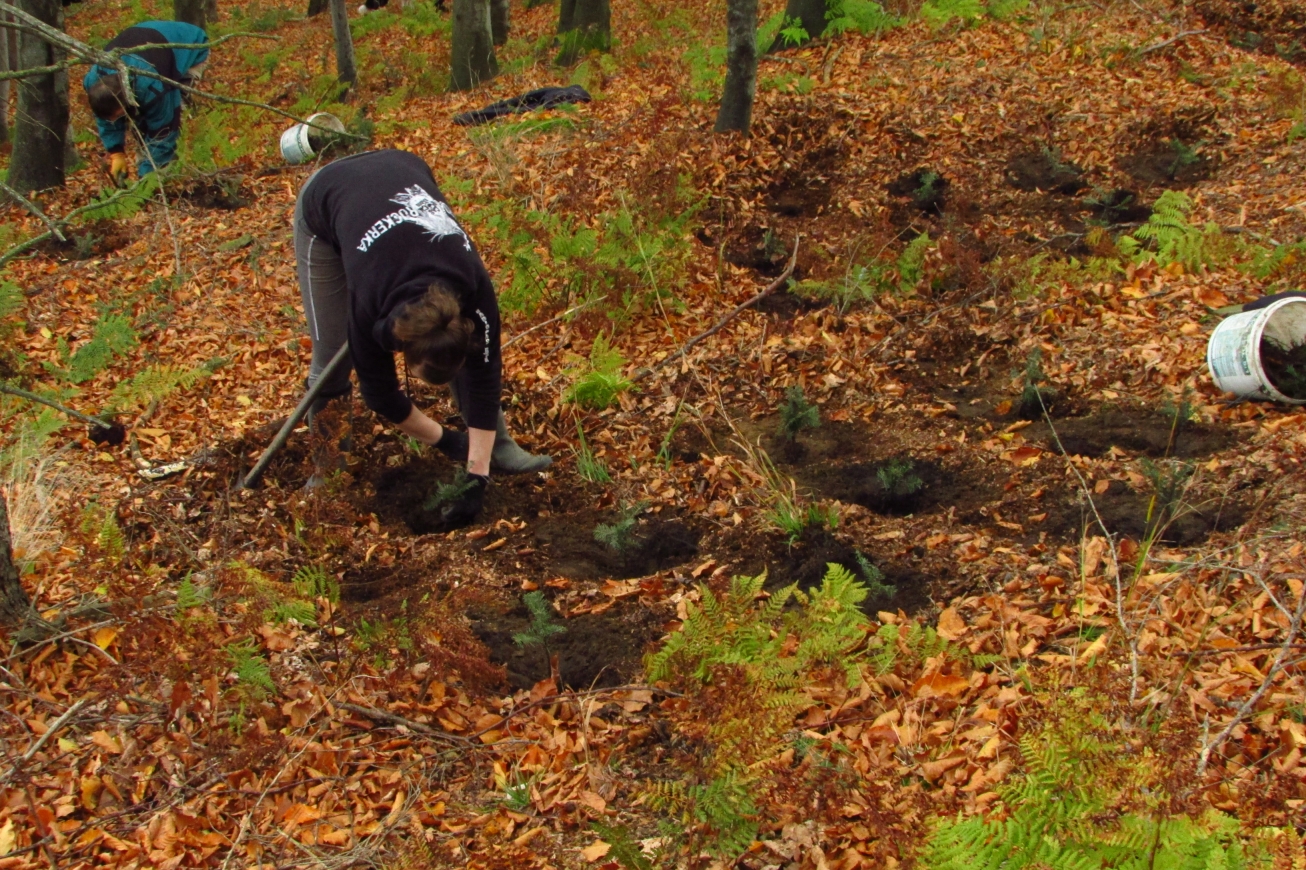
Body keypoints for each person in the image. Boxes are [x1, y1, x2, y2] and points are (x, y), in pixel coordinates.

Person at [294, 149, 552, 523]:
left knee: (478, 381)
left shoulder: (474, 288)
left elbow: (484, 374)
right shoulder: (369, 307)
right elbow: (381, 394)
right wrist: (448, 441)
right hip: (327, 201)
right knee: (331, 358)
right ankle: (329, 467)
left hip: (400, 166)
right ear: (402, 348)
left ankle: (499, 449)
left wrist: (476, 474)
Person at [82, 20, 209, 183]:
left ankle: (168, 174)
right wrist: (116, 152)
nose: (115, 120)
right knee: (141, 120)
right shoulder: (94, 81)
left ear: (126, 98)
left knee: (172, 114)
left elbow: (163, 132)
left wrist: (147, 179)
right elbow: (106, 118)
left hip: (190, 44)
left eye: (118, 115)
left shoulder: (153, 87)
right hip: (148, 38)